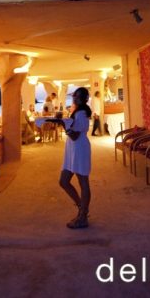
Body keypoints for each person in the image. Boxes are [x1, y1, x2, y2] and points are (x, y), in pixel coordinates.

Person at [59, 87, 92, 229]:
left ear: (84, 99)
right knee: (63, 181)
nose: (75, 98)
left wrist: (64, 125)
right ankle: (81, 207)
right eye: (74, 96)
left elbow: (75, 135)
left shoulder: (82, 113)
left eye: (78, 96)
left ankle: (83, 217)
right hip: (72, 149)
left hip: (80, 149)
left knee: (83, 181)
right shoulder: (77, 111)